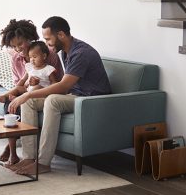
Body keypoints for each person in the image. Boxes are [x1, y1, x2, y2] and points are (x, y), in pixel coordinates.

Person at [7, 16, 112, 175]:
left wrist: (27, 95)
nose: (47, 43)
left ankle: (43, 163)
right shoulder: (65, 52)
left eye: (48, 39)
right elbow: (65, 87)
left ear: (61, 35)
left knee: (52, 100)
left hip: (92, 100)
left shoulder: (81, 53)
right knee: (28, 103)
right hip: (75, 95)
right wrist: (29, 95)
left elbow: (63, 86)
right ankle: (29, 157)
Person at [0, 19, 63, 165]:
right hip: (26, 90)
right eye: (14, 46)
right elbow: (18, 83)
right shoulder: (16, 58)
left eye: (20, 44)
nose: (18, 49)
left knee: (22, 102)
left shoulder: (48, 53)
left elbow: (57, 81)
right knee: (10, 104)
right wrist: (18, 91)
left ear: (29, 38)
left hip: (45, 91)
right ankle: (13, 153)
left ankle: (11, 147)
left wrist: (35, 85)